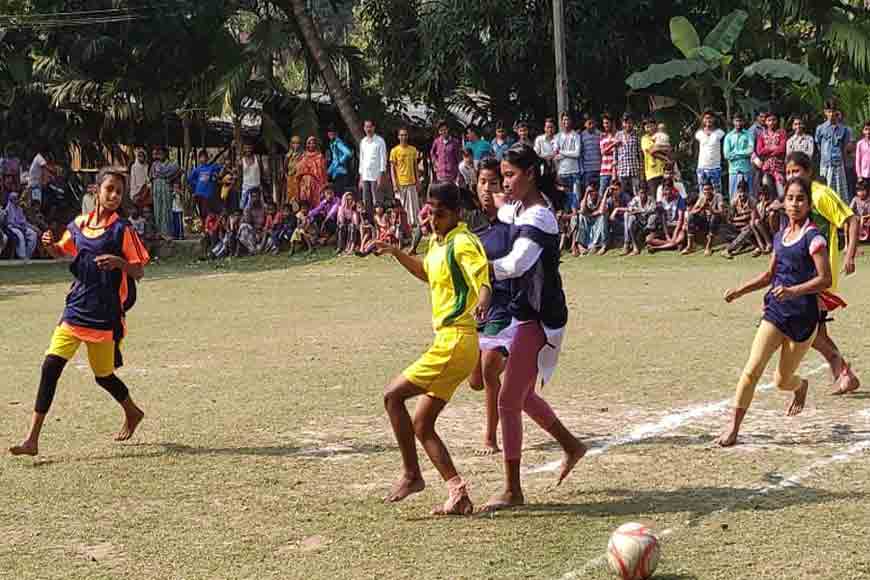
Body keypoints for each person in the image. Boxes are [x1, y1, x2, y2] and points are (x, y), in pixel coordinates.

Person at [367, 182, 491, 516]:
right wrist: (395, 252)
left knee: (392, 396)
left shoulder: (464, 242)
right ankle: (458, 492)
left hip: (456, 341)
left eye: (440, 214)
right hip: (449, 343)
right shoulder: (439, 242)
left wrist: (482, 300)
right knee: (422, 423)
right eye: (430, 212)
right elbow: (427, 273)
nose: (433, 220)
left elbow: (482, 277)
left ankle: (412, 475)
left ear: (456, 213)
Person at [9, 168, 149, 456]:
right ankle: (32, 439)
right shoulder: (79, 224)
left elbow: (139, 271)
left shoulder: (122, 229)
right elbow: (63, 251)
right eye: (109, 189)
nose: (114, 196)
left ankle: (132, 411)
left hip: (105, 314)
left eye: (119, 192)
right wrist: (49, 246)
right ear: (95, 191)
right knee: (50, 366)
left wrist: (119, 263)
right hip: (75, 308)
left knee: (103, 375)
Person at [482, 144, 585, 511]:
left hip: (541, 316)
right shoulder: (520, 206)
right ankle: (572, 446)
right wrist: (481, 189)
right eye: (502, 176)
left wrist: (476, 268)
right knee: (522, 397)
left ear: (530, 174)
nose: (505, 183)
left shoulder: (539, 216)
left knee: (508, 400)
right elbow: (499, 205)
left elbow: (517, 263)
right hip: (526, 312)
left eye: (510, 175)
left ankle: (512, 490)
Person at [716, 177, 833, 447]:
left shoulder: (814, 238)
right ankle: (733, 428)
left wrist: (794, 291)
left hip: (803, 319)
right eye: (790, 198)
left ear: (808, 204)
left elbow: (825, 279)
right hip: (776, 313)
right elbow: (770, 275)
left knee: (782, 381)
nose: (794, 203)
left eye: (800, 199)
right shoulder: (780, 236)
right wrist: (740, 290)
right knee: (751, 370)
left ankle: (800, 386)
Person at [784, 151, 860, 395]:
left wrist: (849, 254)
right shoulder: (797, 198)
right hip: (802, 274)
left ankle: (844, 372)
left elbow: (851, 219)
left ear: (809, 172)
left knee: (808, 330)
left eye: (796, 171)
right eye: (788, 172)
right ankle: (844, 375)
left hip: (819, 274)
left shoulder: (820, 194)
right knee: (816, 330)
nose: (792, 175)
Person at [467, 158, 512, 455]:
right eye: (483, 182)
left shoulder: (513, 223)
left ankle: (490, 436)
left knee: (488, 369)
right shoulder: (469, 224)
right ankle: (509, 364)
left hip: (505, 306)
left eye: (493, 183)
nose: (487, 189)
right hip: (475, 307)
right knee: (474, 382)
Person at [816, 101, 852, 202]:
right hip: (825, 165)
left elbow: (845, 147)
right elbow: (818, 144)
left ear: (837, 112)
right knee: (826, 192)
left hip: (838, 165)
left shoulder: (844, 129)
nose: (831, 114)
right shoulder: (820, 129)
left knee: (840, 194)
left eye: (833, 111)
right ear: (825, 112)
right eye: (829, 111)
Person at [722, 180, 764, 258]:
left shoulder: (752, 201)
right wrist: (742, 218)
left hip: (751, 228)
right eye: (740, 192)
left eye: (744, 192)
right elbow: (729, 219)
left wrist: (738, 219)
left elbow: (753, 220)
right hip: (738, 226)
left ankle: (728, 250)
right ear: (737, 191)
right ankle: (756, 247)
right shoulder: (734, 201)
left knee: (748, 229)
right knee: (724, 228)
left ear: (748, 191)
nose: (742, 194)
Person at [390, 127, 421, 227]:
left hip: (411, 181)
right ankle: (403, 225)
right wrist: (394, 183)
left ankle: (413, 224)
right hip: (400, 183)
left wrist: (418, 181)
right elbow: (392, 169)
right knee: (402, 206)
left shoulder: (412, 150)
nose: (403, 137)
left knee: (413, 205)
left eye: (405, 135)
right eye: (401, 135)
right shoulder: (394, 151)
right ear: (398, 137)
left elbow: (415, 167)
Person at [647, 177, 688, 253]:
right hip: (666, 228)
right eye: (665, 190)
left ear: (673, 189)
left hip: (676, 227)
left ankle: (657, 248)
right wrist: (667, 236)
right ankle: (674, 245)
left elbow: (680, 219)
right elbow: (663, 220)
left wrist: (674, 235)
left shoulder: (680, 200)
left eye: (669, 189)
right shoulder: (660, 202)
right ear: (662, 190)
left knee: (681, 237)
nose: (667, 192)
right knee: (648, 239)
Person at [684, 181, 724, 256]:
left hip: (716, 221)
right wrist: (701, 208)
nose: (707, 191)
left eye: (708, 189)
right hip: (705, 221)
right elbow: (692, 211)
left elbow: (721, 212)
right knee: (691, 216)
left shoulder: (718, 196)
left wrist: (710, 209)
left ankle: (708, 247)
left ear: (712, 190)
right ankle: (690, 246)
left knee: (715, 216)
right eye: (705, 189)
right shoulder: (702, 197)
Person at [150, 146, 181, 238]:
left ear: (166, 154)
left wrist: (169, 179)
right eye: (159, 153)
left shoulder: (172, 165)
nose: (160, 155)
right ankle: (159, 232)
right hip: (157, 190)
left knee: (166, 210)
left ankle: (167, 233)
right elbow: (151, 177)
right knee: (157, 210)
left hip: (167, 190)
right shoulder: (154, 165)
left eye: (162, 153)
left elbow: (178, 172)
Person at [724, 112, 755, 201]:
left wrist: (735, 153)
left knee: (749, 195)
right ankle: (733, 214)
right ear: (733, 122)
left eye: (740, 121)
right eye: (736, 121)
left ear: (743, 122)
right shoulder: (728, 136)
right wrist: (742, 154)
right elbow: (726, 155)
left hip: (746, 169)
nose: (738, 123)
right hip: (733, 170)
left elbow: (750, 150)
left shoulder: (748, 134)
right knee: (733, 196)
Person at [756, 113, 787, 198]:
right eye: (769, 120)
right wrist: (773, 148)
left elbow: (782, 149)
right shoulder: (762, 135)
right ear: (765, 122)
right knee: (768, 193)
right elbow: (759, 151)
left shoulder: (782, 133)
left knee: (781, 194)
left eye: (774, 120)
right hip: (767, 168)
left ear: (777, 121)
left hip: (779, 168)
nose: (771, 122)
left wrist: (768, 151)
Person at [555, 112, 582, 210]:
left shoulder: (576, 136)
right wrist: (564, 154)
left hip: (574, 171)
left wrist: (562, 152)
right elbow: (556, 155)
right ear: (561, 121)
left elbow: (577, 153)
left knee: (576, 200)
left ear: (571, 121)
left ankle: (576, 222)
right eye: (564, 120)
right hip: (562, 172)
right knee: (565, 201)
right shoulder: (557, 136)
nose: (566, 122)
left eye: (568, 119)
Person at [695, 111, 726, 197]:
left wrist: (722, 117)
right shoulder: (699, 134)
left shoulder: (720, 133)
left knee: (717, 193)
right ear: (703, 120)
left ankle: (718, 210)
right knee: (702, 193)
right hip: (702, 168)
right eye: (706, 118)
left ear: (714, 119)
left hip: (715, 168)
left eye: (710, 117)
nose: (708, 120)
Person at [187, 150, 223, 223]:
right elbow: (190, 179)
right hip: (199, 195)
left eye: (204, 157)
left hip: (209, 195)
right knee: (202, 213)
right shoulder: (197, 169)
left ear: (207, 158)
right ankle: (204, 228)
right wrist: (195, 186)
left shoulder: (212, 167)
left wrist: (217, 176)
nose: (203, 159)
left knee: (209, 213)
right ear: (199, 158)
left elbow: (222, 168)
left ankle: (209, 229)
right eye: (201, 157)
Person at [573, 184, 608, 256]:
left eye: (593, 191)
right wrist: (586, 193)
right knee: (581, 216)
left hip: (597, 221)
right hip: (588, 221)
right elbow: (582, 210)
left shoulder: (600, 198)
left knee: (602, 217)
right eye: (590, 192)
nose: (592, 193)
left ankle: (598, 245)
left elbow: (601, 211)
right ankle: (580, 245)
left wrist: (591, 214)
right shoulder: (586, 198)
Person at [615, 113, 643, 197]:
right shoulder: (618, 135)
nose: (628, 125)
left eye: (630, 122)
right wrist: (615, 170)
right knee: (622, 194)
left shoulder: (636, 135)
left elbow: (640, 154)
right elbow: (615, 153)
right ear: (622, 123)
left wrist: (641, 171)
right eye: (626, 122)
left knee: (636, 193)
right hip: (622, 170)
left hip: (634, 170)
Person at [296, 136, 328, 209]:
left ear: (316, 144)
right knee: (304, 200)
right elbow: (299, 169)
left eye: (313, 143)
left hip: (315, 182)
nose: (311, 145)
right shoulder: (303, 156)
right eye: (309, 143)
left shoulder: (320, 156)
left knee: (315, 201)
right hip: (304, 182)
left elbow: (323, 172)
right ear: (306, 145)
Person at [4, 191, 38, 259]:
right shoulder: (8, 209)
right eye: (14, 198)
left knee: (33, 234)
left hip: (21, 227)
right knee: (20, 234)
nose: (16, 200)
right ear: (11, 200)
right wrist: (20, 227)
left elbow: (24, 222)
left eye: (17, 198)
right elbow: (11, 223)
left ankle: (27, 255)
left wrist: (33, 227)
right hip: (11, 227)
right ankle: (21, 256)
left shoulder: (19, 209)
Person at [429, 120, 462, 185]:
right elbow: (432, 153)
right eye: (441, 130)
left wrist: (459, 175)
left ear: (448, 129)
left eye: (445, 130)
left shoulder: (455, 142)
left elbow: (459, 158)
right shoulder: (437, 141)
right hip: (440, 174)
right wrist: (435, 163)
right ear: (439, 132)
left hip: (452, 174)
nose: (443, 132)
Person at [239, 142, 269, 210]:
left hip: (257, 187)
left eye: (249, 148)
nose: (248, 150)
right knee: (244, 207)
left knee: (259, 207)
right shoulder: (241, 161)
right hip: (246, 188)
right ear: (243, 149)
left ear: (252, 148)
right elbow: (240, 176)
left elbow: (262, 173)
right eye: (246, 148)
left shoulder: (257, 159)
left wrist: (264, 185)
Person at [641, 118, 666, 196]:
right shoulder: (644, 139)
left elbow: (667, 148)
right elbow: (652, 152)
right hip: (652, 173)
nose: (650, 128)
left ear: (655, 126)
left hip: (664, 171)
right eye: (647, 127)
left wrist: (658, 148)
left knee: (665, 195)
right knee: (656, 197)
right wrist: (666, 158)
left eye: (651, 126)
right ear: (644, 129)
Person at [326, 128, 353, 194]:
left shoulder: (338, 143)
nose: (330, 134)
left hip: (341, 172)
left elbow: (348, 153)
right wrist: (328, 171)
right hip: (336, 173)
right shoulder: (332, 143)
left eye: (332, 132)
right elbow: (334, 160)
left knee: (340, 192)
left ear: (336, 133)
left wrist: (340, 161)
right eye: (329, 133)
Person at [580, 115, 602, 189]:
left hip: (599, 169)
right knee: (589, 193)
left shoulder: (600, 134)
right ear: (585, 124)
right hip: (587, 170)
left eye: (593, 123)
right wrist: (582, 170)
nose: (591, 125)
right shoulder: (581, 136)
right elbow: (580, 154)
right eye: (589, 123)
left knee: (599, 193)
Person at [599, 114, 618, 195]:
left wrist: (609, 148)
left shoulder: (618, 135)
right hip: (604, 171)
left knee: (614, 195)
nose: (605, 125)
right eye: (604, 123)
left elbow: (617, 152)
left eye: (607, 123)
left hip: (616, 171)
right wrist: (613, 145)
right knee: (602, 194)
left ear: (612, 123)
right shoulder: (602, 136)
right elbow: (603, 152)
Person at [285, 136, 303, 203]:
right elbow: (285, 169)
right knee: (290, 196)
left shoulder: (302, 155)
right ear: (291, 144)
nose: (296, 145)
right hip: (290, 179)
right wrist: (287, 177)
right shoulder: (288, 156)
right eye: (294, 143)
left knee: (298, 196)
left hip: (299, 179)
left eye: (297, 143)